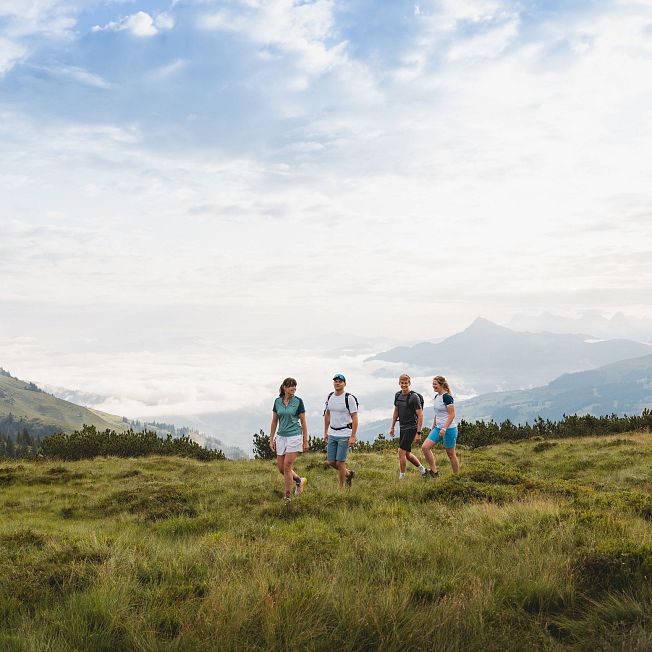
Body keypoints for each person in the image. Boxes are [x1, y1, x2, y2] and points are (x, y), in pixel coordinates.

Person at [269, 377, 309, 500]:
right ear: (284, 387)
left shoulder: (298, 402)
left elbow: (303, 421)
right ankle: (299, 480)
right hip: (281, 437)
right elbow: (274, 421)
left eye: (295, 386)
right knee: (281, 468)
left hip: (295, 436)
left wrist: (305, 440)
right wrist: (271, 439)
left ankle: (287, 497)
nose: (293, 388)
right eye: (291, 386)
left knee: (287, 467)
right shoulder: (277, 402)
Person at [389, 373, 428, 479]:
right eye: (402, 383)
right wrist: (392, 426)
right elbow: (396, 411)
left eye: (406, 383)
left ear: (409, 383)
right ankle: (423, 471)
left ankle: (401, 478)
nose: (404, 385)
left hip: (411, 427)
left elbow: (420, 416)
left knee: (401, 451)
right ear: (399, 383)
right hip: (402, 427)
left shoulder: (414, 397)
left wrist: (418, 433)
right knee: (407, 454)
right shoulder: (398, 395)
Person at [324, 373, 358, 488]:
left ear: (344, 384)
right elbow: (327, 414)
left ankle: (341, 488)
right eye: (335, 381)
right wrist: (325, 431)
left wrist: (353, 436)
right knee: (331, 462)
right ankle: (348, 473)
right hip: (332, 433)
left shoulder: (349, 398)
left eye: (340, 381)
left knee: (340, 462)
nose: (337, 383)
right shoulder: (330, 397)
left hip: (345, 433)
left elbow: (354, 417)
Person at [422, 375, 460, 475]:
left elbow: (452, 414)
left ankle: (456, 477)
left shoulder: (447, 397)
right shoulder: (436, 397)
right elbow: (437, 414)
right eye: (432, 384)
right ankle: (434, 472)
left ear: (441, 384)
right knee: (425, 447)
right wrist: (433, 426)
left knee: (451, 454)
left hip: (449, 429)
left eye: (435, 384)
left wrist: (444, 428)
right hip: (438, 428)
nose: (433, 386)